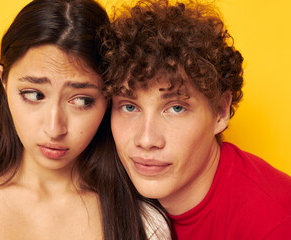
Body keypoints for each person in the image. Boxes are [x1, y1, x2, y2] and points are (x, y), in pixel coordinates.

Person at [0, 0, 171, 239]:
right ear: (4, 82)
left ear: (108, 99)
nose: (54, 129)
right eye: (34, 95)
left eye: (82, 101)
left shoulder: (144, 224)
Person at [100, 0, 291, 239]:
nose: (147, 139)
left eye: (176, 108)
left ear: (220, 112)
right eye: (129, 107)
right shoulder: (102, 185)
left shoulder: (273, 224)